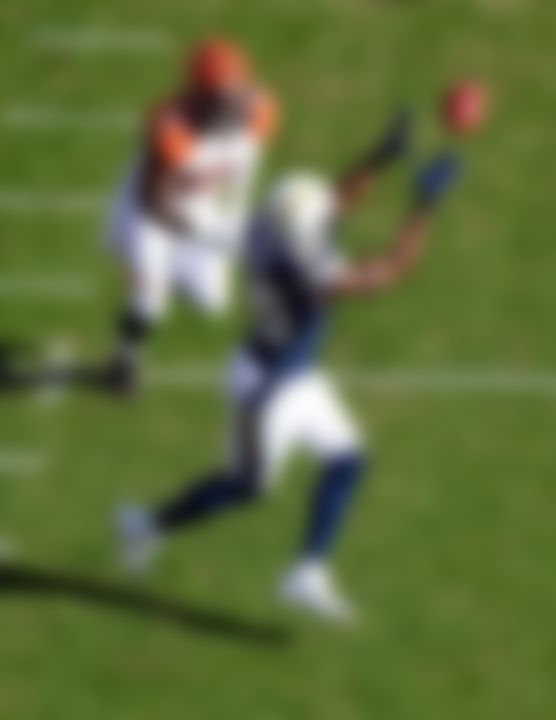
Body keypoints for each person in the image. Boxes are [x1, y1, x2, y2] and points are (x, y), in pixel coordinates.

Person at [116, 112, 464, 623]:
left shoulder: (269, 228)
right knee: (247, 487)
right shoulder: (310, 270)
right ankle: (146, 526)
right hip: (266, 390)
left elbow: (334, 201)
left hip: (291, 373)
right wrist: (424, 207)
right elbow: (392, 269)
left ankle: (307, 573)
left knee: (348, 460)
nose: (330, 216)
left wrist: (380, 156)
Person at [104, 37, 278, 395]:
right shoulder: (173, 126)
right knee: (150, 301)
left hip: (198, 202)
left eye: (235, 88)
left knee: (211, 301)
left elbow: (247, 160)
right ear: (199, 93)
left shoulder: (260, 110)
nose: (232, 99)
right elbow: (153, 199)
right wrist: (201, 234)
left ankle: (170, 275)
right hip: (151, 213)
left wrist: (236, 213)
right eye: (221, 93)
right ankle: (123, 357)